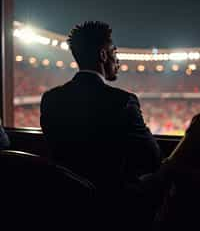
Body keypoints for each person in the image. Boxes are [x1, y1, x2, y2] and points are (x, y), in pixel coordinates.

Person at [40, 21, 161, 187]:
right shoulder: (122, 101)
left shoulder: (50, 99)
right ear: (103, 56)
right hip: (113, 201)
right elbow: (152, 157)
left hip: (65, 197)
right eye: (114, 53)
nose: (117, 61)